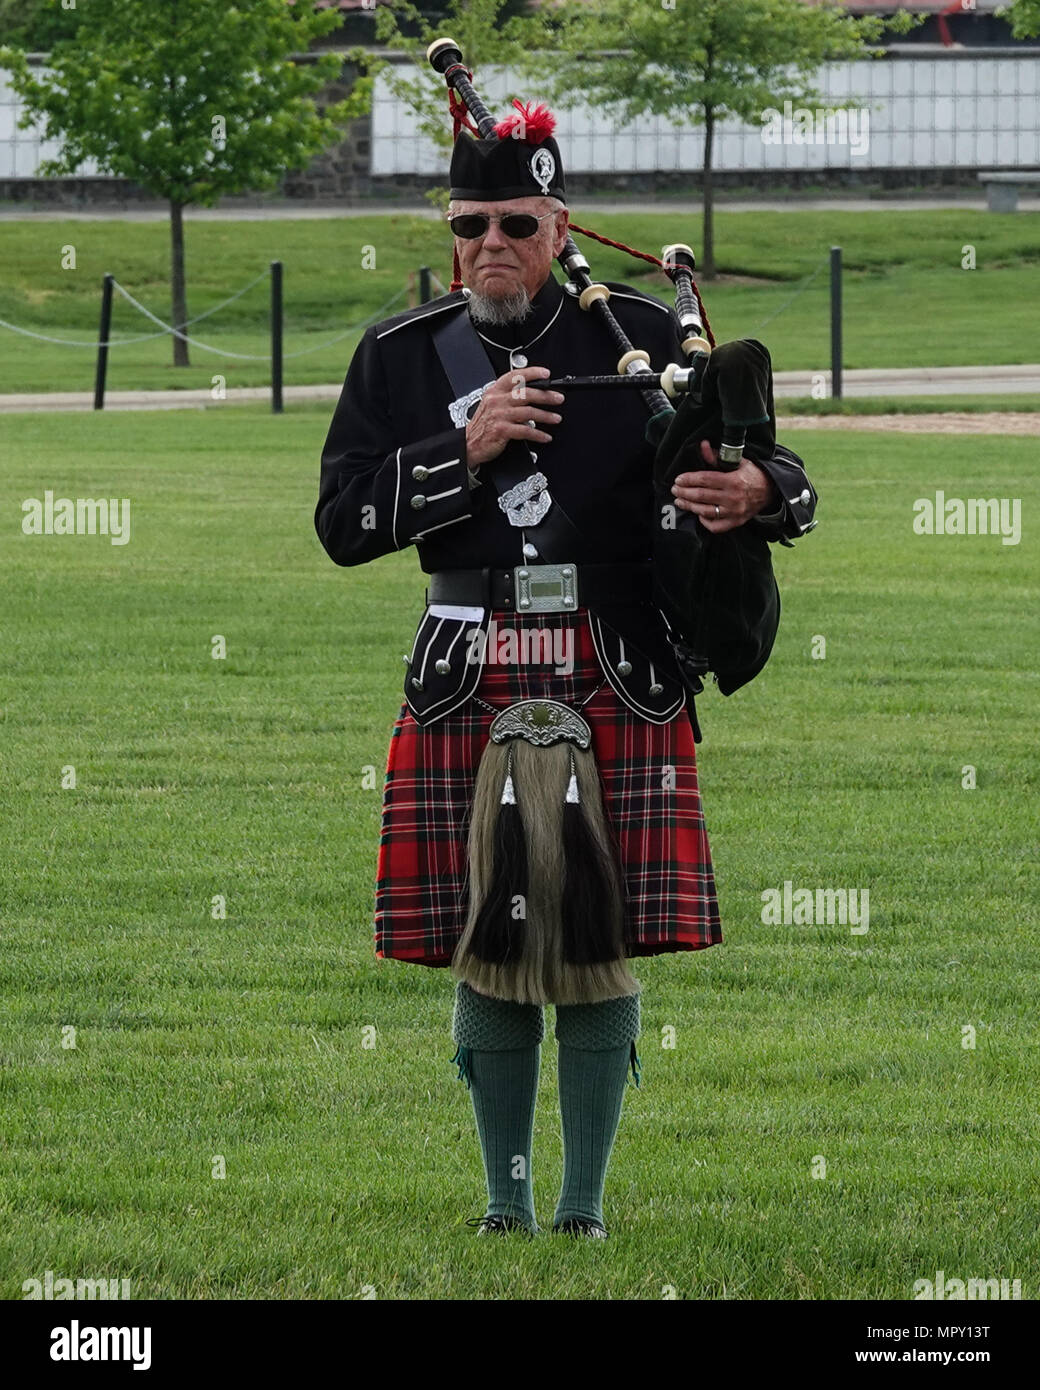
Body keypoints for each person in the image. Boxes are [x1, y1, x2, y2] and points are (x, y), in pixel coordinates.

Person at [315, 103, 816, 1239]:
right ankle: (503, 1206)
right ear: (451, 231)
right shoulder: (401, 357)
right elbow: (342, 524)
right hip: (465, 671)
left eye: (515, 223)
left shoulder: (638, 337)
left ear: (557, 223)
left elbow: (780, 469)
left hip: (618, 666)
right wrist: (463, 447)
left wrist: (758, 496)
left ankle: (583, 1210)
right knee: (491, 943)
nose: (489, 243)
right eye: (468, 222)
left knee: (597, 945)